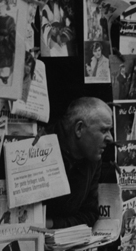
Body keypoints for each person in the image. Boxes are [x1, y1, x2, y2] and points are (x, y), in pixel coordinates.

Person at [45, 97, 113, 229]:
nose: (110, 138)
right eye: (104, 130)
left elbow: (89, 214)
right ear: (79, 129)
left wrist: (51, 224)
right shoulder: (42, 146)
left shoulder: (93, 159)